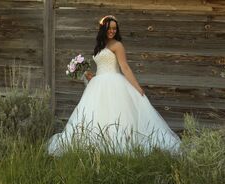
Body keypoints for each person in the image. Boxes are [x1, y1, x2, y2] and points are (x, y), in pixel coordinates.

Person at [48, 15, 180, 155]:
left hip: (114, 83)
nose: (112, 31)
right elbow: (101, 67)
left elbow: (125, 67)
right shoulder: (100, 46)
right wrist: (88, 73)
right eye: (109, 28)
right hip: (98, 83)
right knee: (96, 114)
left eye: (114, 29)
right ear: (103, 29)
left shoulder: (117, 45)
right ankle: (98, 145)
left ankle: (118, 145)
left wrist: (137, 87)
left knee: (117, 114)